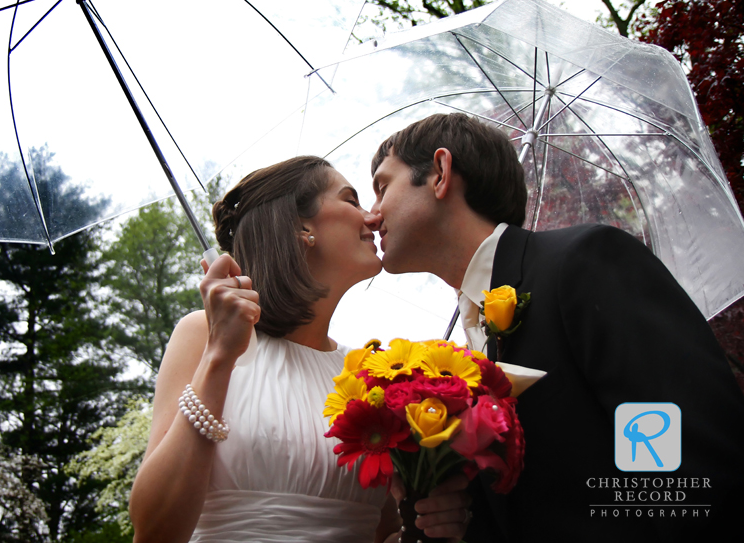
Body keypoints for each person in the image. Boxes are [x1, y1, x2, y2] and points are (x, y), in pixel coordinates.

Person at [366, 112, 744, 542]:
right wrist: (465, 518)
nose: (372, 215)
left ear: (439, 172)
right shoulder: (461, 350)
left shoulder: (585, 262)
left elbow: (688, 465)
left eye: (382, 187)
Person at [128, 156, 471, 543]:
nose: (373, 217)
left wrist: (432, 524)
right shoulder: (202, 335)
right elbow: (152, 531)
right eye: (351, 200)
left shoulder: (368, 374)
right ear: (300, 226)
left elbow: (385, 533)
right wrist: (219, 356)